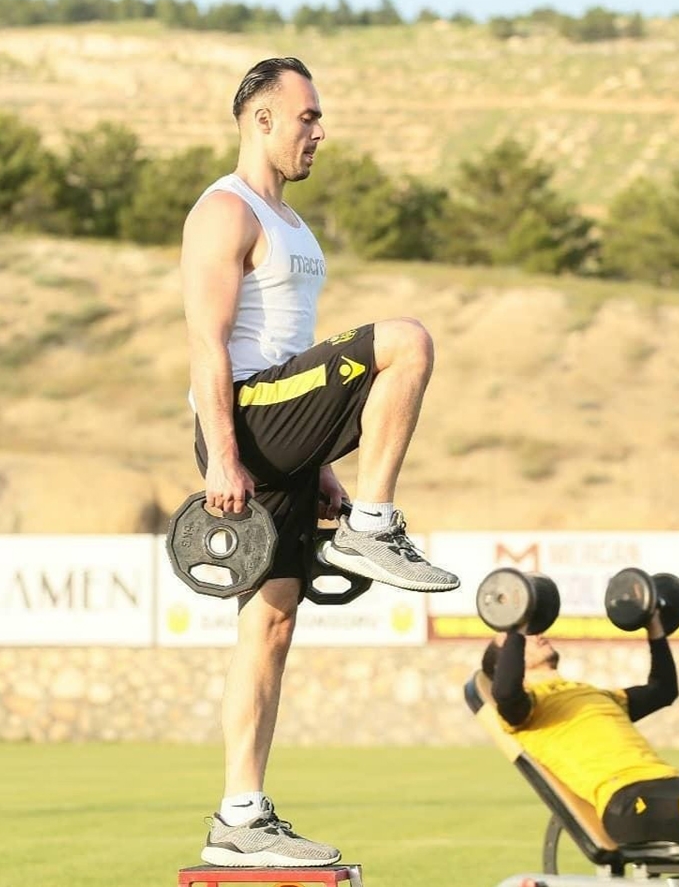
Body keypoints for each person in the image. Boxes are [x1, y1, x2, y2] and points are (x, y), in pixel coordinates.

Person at [179, 56, 460, 867]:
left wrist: (320, 461)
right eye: (307, 117)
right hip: (245, 418)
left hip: (280, 430)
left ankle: (239, 816)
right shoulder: (224, 211)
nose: (320, 132)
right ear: (262, 119)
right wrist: (223, 455)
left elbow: (292, 350)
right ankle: (375, 523)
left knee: (271, 622)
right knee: (405, 341)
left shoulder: (294, 225)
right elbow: (207, 343)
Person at [481, 612, 679, 887]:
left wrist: (654, 626)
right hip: (624, 804)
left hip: (673, 791)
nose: (533, 633)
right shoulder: (526, 711)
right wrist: (517, 623)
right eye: (515, 638)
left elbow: (663, 690)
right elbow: (505, 692)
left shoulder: (594, 694)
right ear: (507, 661)